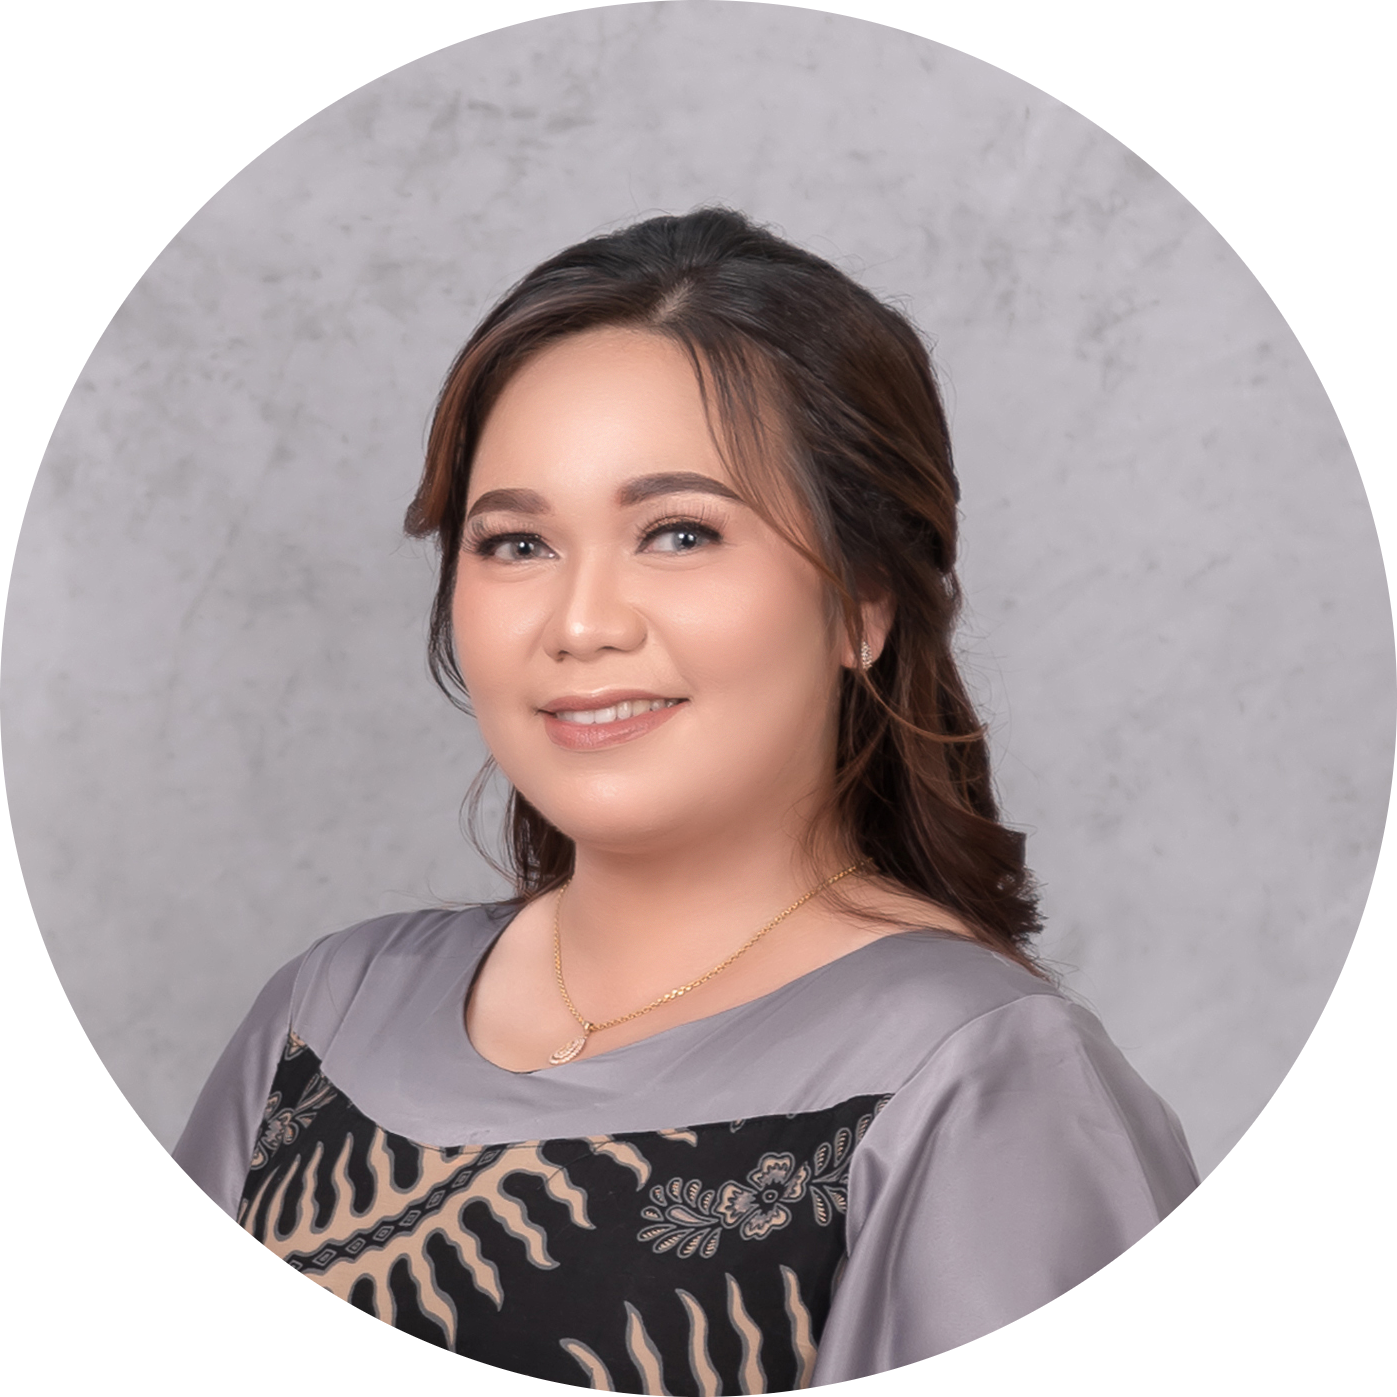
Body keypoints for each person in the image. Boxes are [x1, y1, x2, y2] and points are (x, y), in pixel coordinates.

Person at [174, 208, 1198, 1388]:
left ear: (864, 600)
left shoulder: (981, 1079)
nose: (580, 623)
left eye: (676, 532)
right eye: (515, 543)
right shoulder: (327, 1017)